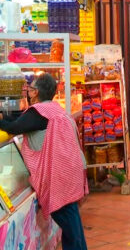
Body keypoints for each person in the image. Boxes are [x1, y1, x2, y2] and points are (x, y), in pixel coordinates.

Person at [0, 73, 88, 250]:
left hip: (59, 180)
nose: (29, 91)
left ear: (35, 92)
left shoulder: (39, 113)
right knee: (73, 227)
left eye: (31, 88)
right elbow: (18, 121)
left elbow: (14, 127)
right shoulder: (53, 109)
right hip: (70, 173)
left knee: (72, 229)